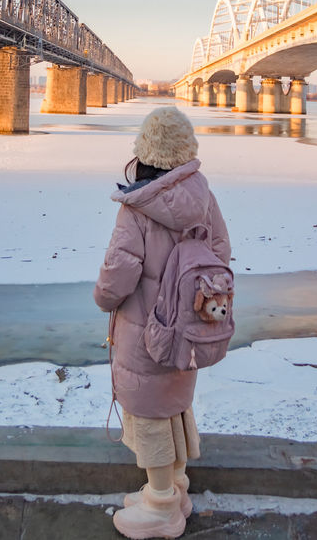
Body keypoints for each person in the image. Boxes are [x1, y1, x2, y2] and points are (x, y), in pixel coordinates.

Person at [93, 105, 231, 539]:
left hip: (143, 331)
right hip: (188, 330)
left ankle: (160, 506)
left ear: (145, 154)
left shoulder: (137, 207)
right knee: (173, 405)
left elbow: (118, 275)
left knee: (150, 412)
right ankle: (176, 488)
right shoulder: (204, 197)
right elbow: (221, 256)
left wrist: (102, 299)